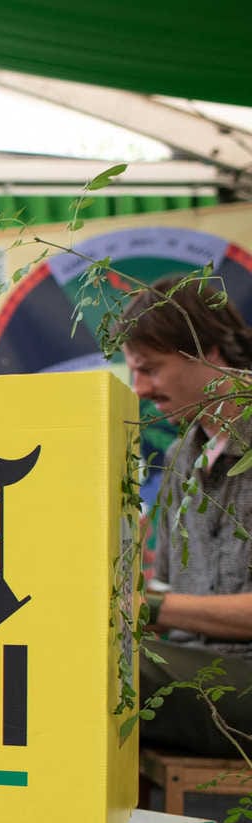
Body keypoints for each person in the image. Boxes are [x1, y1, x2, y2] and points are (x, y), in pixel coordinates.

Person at [123, 274, 252, 756]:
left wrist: (149, 608)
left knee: (111, 668)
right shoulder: (182, 455)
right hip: (195, 667)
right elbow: (165, 588)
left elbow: (161, 605)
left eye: (150, 369)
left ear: (209, 353)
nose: (139, 388)